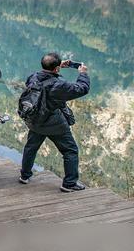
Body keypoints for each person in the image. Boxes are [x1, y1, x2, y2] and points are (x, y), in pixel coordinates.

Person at [20, 53, 90, 192]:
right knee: (70, 150)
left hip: (35, 120)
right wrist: (83, 74)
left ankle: (25, 175)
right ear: (56, 69)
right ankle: (69, 183)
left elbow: (44, 77)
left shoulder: (33, 77)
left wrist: (57, 67)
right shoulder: (59, 85)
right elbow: (82, 88)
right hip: (54, 124)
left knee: (31, 147)